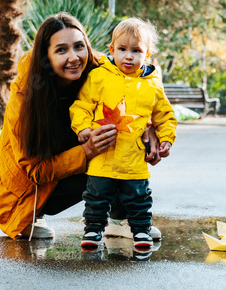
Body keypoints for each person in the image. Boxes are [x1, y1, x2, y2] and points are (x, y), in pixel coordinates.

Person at [0, 13, 164, 241]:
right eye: (61, 50)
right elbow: (35, 171)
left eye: (79, 46)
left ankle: (121, 219)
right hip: (28, 191)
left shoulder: (102, 70)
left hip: (76, 155)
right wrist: (88, 150)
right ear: (46, 56)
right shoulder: (26, 96)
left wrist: (149, 127)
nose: (74, 58)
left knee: (124, 142)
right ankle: (34, 215)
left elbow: (139, 85)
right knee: (101, 149)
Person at [70, 18, 177, 249]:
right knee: (96, 197)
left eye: (136, 51)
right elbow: (82, 105)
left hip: (134, 159)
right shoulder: (100, 76)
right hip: (103, 156)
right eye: (122, 49)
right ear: (112, 50)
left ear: (147, 54)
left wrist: (166, 138)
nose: (128, 56)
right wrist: (83, 128)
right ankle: (93, 230)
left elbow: (165, 115)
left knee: (139, 198)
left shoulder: (152, 85)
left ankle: (140, 231)